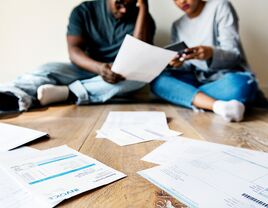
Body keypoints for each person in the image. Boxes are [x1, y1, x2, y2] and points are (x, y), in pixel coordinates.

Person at [0, 0, 155, 113]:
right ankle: (10, 94)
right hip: (85, 68)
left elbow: (138, 54)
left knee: (140, 78)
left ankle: (69, 93)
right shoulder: (83, 11)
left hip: (118, 76)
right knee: (47, 68)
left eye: (130, 4)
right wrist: (99, 67)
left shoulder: (145, 20)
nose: (124, 11)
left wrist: (144, 8)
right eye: (120, 4)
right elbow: (74, 51)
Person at [151, 0, 264, 122]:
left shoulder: (220, 6)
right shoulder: (177, 25)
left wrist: (210, 53)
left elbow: (234, 55)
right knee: (158, 80)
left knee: (241, 85)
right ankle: (219, 106)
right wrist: (177, 64)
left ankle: (190, 97)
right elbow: (187, 67)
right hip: (197, 79)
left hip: (225, 78)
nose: (181, 1)